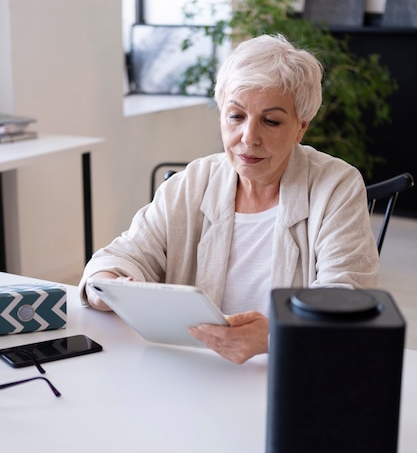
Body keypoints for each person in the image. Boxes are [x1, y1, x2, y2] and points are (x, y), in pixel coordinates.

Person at [79, 34, 379, 364]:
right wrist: (105, 288)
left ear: (300, 128)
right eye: (236, 116)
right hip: (193, 368)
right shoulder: (191, 183)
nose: (249, 138)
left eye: (272, 121)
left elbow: (346, 295)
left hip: (289, 367)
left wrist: (271, 337)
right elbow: (120, 257)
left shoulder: (337, 185)